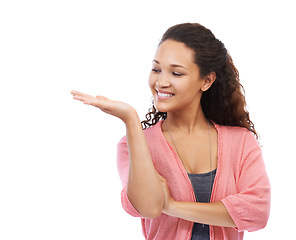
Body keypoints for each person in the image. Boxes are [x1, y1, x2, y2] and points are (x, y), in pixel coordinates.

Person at [71, 23, 270, 240]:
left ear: (207, 80)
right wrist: (130, 119)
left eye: (176, 73)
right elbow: (148, 207)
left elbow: (256, 212)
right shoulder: (133, 144)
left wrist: (173, 206)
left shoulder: (241, 142)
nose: (161, 82)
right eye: (156, 69)